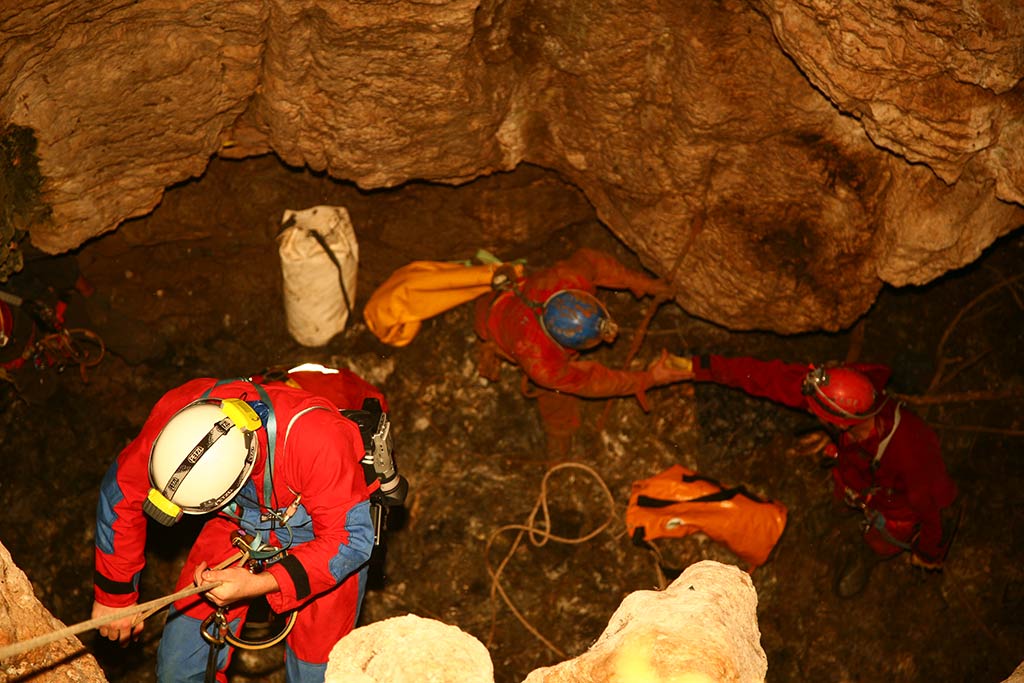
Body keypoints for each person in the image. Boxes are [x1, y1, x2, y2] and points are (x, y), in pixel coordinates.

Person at [92, 362, 406, 682]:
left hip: (325, 525)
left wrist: (261, 583)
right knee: (179, 666)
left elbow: (351, 538)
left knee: (318, 673)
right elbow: (120, 494)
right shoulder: (179, 421)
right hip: (239, 518)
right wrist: (114, 596)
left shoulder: (316, 440)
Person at [675, 354, 959, 596]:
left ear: (841, 421)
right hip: (853, 477)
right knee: (843, 489)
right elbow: (768, 377)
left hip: (895, 509)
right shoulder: (843, 392)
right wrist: (695, 366)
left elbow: (936, 509)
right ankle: (845, 515)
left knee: (882, 537)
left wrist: (927, 554)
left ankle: (870, 555)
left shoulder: (910, 448)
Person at [473, 247, 692, 453]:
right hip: (490, 317)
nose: (612, 337)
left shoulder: (569, 278)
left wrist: (646, 284)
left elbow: (595, 262)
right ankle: (559, 436)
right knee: (556, 396)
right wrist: (649, 379)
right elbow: (596, 381)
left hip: (522, 296)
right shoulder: (542, 362)